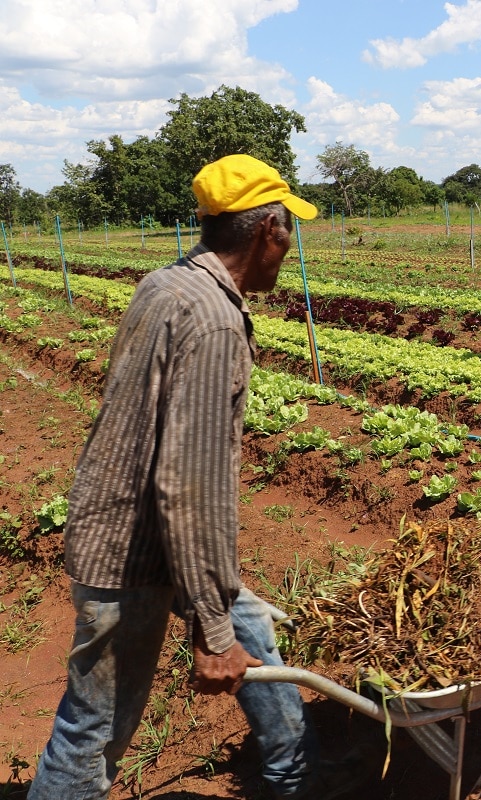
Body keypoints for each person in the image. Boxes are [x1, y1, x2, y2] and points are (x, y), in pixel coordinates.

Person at [29, 155, 357, 800]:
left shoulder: (169, 282)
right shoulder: (212, 322)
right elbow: (189, 486)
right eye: (288, 230)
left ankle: (292, 773)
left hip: (129, 524)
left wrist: (221, 609)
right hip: (137, 553)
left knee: (251, 624)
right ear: (268, 231)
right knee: (93, 730)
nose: (289, 246)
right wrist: (209, 632)